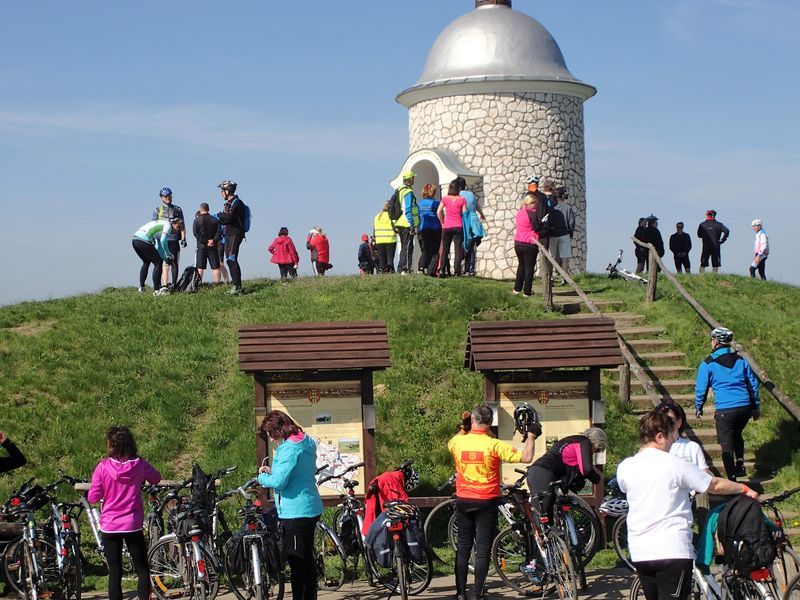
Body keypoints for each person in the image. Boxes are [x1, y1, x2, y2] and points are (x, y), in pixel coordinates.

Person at [616, 411, 758, 600]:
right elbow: (713, 485)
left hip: (640, 551)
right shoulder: (674, 464)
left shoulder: (626, 467)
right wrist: (743, 488)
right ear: (659, 437)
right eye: (670, 437)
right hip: (671, 549)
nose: (673, 442)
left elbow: (627, 488)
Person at [448, 405, 537, 600]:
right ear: (490, 423)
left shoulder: (456, 443)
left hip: (463, 499)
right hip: (486, 501)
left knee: (463, 548)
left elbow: (456, 437)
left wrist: (464, 428)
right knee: (483, 549)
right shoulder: (494, 445)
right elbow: (527, 456)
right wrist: (531, 435)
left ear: (472, 421)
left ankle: (460, 593)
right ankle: (478, 594)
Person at [88, 425, 161, 600]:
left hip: (110, 525)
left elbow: (93, 497)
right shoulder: (139, 465)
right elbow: (156, 478)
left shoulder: (103, 467)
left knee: (115, 572)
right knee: (142, 569)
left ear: (111, 445)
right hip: (132, 523)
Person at [258, 411, 323, 600]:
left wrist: (262, 477)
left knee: (297, 563)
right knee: (307, 561)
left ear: (278, 429)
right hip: (310, 507)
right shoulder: (305, 440)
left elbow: (279, 482)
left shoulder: (289, 448)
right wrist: (274, 470)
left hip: (295, 512)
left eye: (271, 433)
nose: (270, 438)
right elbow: (296, 471)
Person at [695, 327, 760, 481]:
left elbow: (701, 388)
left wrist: (699, 406)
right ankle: (740, 464)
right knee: (737, 433)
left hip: (725, 408)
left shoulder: (708, 363)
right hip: (744, 407)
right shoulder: (740, 360)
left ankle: (732, 480)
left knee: (726, 445)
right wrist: (755, 406)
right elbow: (752, 384)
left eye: (712, 339)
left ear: (716, 342)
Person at [526, 427, 606, 521]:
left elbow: (574, 471)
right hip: (543, 473)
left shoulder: (573, 440)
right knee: (545, 516)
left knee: (549, 518)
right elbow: (586, 469)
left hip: (539, 472)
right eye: (596, 450)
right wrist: (598, 478)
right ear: (596, 442)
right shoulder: (585, 442)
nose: (593, 453)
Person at [132, 218, 181, 296]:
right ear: (175, 225)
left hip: (135, 239)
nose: (177, 232)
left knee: (146, 262)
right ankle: (156, 290)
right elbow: (163, 240)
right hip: (144, 240)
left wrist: (165, 258)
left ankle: (141, 288)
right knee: (158, 263)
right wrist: (169, 254)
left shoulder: (161, 226)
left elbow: (159, 247)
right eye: (178, 229)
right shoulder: (168, 225)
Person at [217, 180, 247, 295]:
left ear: (227, 191)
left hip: (235, 233)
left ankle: (237, 287)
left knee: (232, 259)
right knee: (229, 260)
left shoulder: (237, 202)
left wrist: (219, 215)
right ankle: (236, 286)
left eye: (222, 191)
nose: (221, 193)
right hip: (228, 234)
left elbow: (229, 218)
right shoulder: (228, 203)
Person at [152, 188, 186, 287]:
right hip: (162, 240)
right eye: (166, 196)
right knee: (165, 264)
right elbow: (153, 226)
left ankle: (174, 285)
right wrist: (154, 240)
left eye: (170, 196)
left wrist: (184, 238)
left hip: (174, 240)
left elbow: (182, 225)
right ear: (161, 198)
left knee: (175, 263)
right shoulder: (158, 210)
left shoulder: (178, 209)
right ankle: (164, 285)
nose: (168, 198)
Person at [436, 180, 467, 277]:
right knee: (458, 249)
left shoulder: (445, 199)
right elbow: (464, 213)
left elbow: (438, 211)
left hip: (447, 226)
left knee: (445, 249)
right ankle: (457, 272)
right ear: (458, 189)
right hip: (458, 226)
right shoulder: (462, 199)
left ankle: (442, 270)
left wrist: (442, 221)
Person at [512, 193, 541, 296]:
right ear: (530, 203)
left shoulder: (519, 213)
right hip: (529, 242)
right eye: (535, 204)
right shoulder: (532, 213)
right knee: (529, 268)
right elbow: (536, 227)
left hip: (518, 242)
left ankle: (517, 288)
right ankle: (527, 291)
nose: (536, 206)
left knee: (521, 266)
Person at [457, 177, 486, 276]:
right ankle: (470, 270)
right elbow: (476, 205)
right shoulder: (471, 194)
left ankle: (463, 269)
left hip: (464, 221)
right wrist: (482, 214)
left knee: (464, 245)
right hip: (474, 221)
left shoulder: (458, 195)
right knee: (472, 246)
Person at [545, 185, 575, 279]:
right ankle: (564, 277)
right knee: (565, 258)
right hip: (564, 234)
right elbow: (571, 223)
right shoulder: (568, 208)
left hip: (553, 235)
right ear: (563, 195)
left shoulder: (552, 208)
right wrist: (570, 234)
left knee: (551, 257)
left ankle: (550, 277)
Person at [394, 171, 419, 274]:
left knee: (404, 246)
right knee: (408, 247)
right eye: (413, 178)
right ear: (409, 179)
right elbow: (408, 209)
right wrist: (412, 224)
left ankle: (400, 268)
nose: (414, 179)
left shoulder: (399, 191)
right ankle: (405, 268)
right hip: (406, 222)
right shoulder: (408, 192)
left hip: (399, 222)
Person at [192, 203, 221, 284]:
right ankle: (217, 283)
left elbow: (196, 233)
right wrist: (213, 241)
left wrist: (205, 241)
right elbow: (219, 232)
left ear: (200, 209)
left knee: (200, 267)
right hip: (213, 247)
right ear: (208, 209)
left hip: (202, 246)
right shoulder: (215, 220)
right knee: (216, 267)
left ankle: (199, 284)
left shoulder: (197, 220)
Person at [417, 183, 442, 276]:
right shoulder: (436, 203)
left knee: (425, 250)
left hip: (423, 228)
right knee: (435, 252)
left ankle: (421, 267)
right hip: (435, 228)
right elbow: (440, 215)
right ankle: (431, 270)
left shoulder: (419, 204)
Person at [697, 209, 729, 273]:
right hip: (716, 246)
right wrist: (722, 240)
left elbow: (699, 235)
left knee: (703, 263)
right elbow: (727, 231)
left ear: (707, 215)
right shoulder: (719, 224)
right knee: (715, 264)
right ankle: (714, 276)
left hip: (706, 246)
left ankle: (701, 276)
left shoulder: (702, 225)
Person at [373, 202, 397, 273]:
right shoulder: (392, 216)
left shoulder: (377, 216)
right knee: (390, 259)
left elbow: (374, 229)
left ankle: (382, 271)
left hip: (380, 240)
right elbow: (395, 228)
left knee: (382, 259)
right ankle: (391, 271)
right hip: (390, 240)